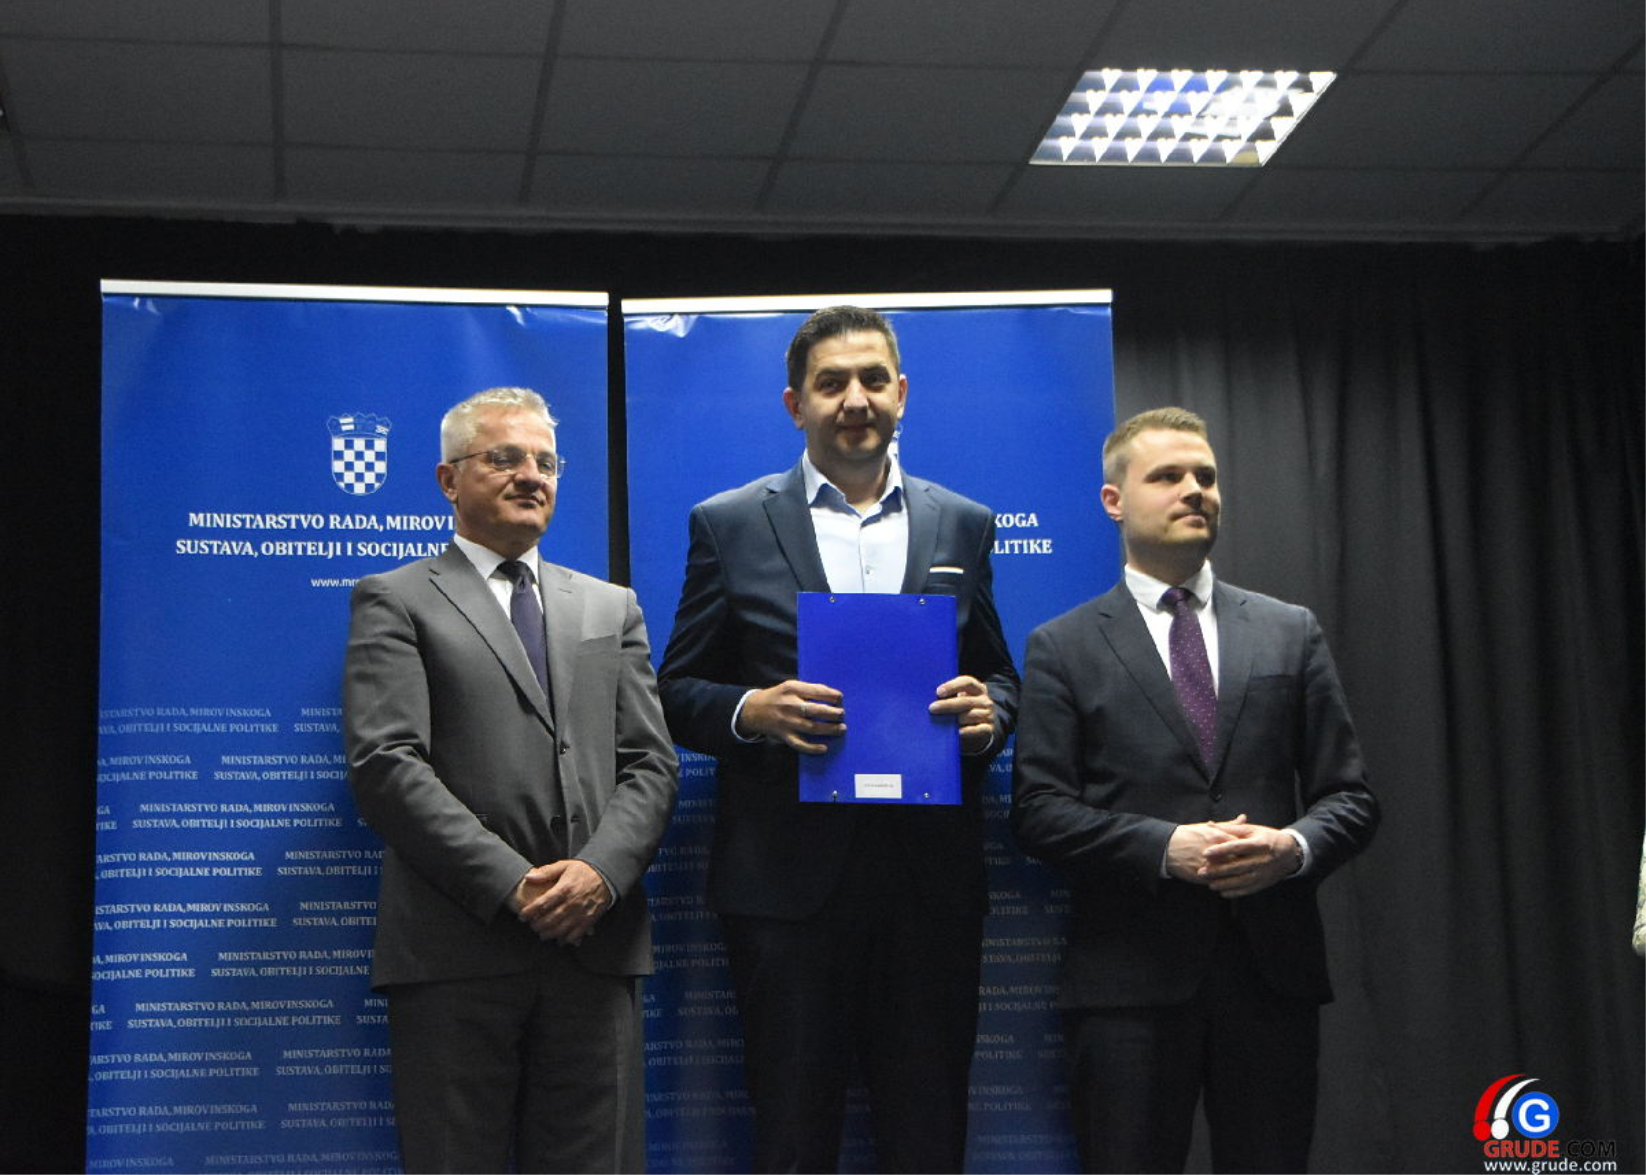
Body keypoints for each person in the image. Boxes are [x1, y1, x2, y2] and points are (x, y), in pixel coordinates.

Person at [656, 306, 1019, 1174]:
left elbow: (1001, 675)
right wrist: (754, 711)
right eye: (831, 383)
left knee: (928, 1133)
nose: (855, 399)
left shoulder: (964, 522)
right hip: (787, 888)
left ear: (902, 393)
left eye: (872, 380)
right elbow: (675, 692)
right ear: (795, 404)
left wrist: (991, 715)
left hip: (928, 884)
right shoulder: (729, 522)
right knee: (792, 1134)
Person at [1009, 406, 1380, 1175]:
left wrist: (1292, 848)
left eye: (1205, 477)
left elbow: (1351, 799)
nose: (1194, 491)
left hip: (1270, 978)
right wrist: (1164, 848)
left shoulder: (1290, 631)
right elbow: (1038, 812)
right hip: (1126, 987)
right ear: (1114, 501)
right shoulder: (1062, 647)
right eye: (1168, 476)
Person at [343, 386, 678, 1175]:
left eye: (546, 462)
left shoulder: (611, 607)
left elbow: (650, 763)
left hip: (594, 945)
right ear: (448, 479)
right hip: (458, 949)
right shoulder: (395, 599)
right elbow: (386, 764)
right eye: (504, 458)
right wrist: (513, 886)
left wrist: (599, 875)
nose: (531, 475)